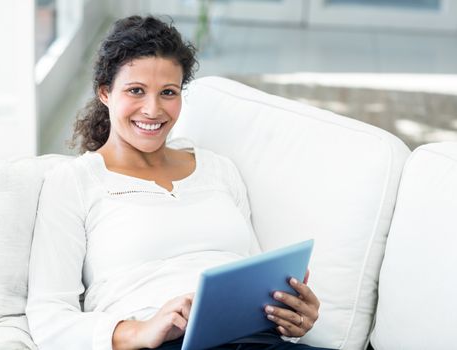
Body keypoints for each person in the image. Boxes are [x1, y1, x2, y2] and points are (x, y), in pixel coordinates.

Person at [26, 15, 327, 350]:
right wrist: (141, 330)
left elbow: (253, 279)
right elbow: (48, 318)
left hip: (256, 341)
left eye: (168, 92)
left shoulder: (218, 169)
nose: (153, 110)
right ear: (105, 93)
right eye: (135, 91)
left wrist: (290, 317)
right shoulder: (73, 183)